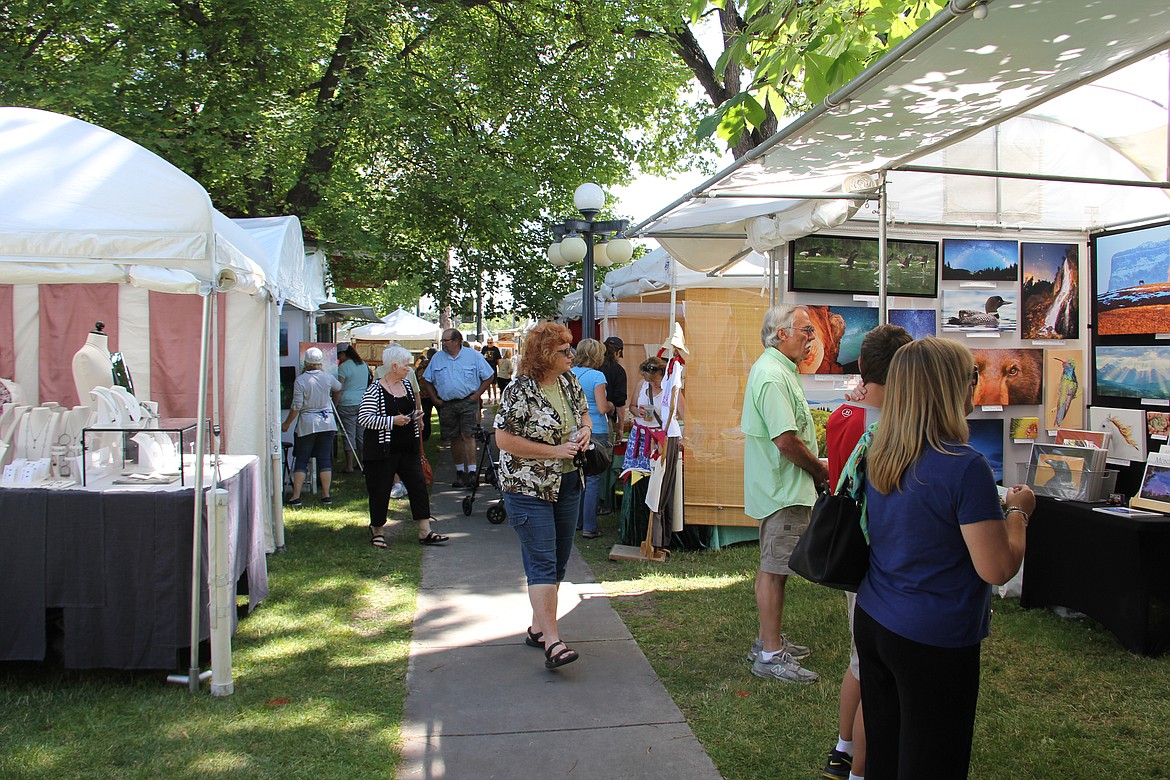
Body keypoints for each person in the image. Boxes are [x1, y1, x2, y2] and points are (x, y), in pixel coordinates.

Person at [855, 337, 1033, 779]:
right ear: (950, 388)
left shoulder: (882, 452)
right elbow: (997, 567)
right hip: (932, 637)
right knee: (933, 760)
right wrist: (1018, 513)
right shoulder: (965, 466)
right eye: (972, 377)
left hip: (877, 619)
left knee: (887, 753)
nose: (977, 386)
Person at [821, 324, 912, 780]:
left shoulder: (841, 417)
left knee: (859, 660)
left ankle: (843, 745)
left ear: (861, 366)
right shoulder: (894, 428)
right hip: (882, 560)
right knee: (871, 670)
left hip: (853, 551)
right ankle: (857, 764)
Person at [493, 322, 591, 670]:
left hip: (567, 484)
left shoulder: (569, 381)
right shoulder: (519, 390)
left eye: (571, 348)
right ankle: (553, 641)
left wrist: (584, 431)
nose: (571, 355)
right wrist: (553, 452)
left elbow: (583, 412)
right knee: (542, 562)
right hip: (527, 487)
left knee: (559, 560)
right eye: (564, 350)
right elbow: (503, 440)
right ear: (544, 354)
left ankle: (537, 629)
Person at [741, 304, 828, 684]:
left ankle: (768, 641)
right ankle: (770, 654)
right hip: (784, 488)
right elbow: (786, 441)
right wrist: (820, 470)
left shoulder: (777, 370)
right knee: (775, 571)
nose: (811, 336)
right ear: (781, 334)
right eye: (805, 330)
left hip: (781, 486)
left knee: (772, 567)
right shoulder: (774, 376)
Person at [358, 345, 449, 549]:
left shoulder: (406, 386)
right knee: (380, 490)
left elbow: (409, 409)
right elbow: (364, 418)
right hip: (383, 451)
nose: (408, 369)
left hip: (407, 448)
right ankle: (378, 531)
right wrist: (391, 421)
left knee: (418, 487)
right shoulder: (375, 390)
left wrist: (415, 417)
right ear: (393, 366)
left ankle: (425, 530)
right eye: (405, 365)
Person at [421, 329, 495, 488]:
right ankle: (460, 472)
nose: (443, 344)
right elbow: (426, 379)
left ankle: (473, 473)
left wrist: (477, 395)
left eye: (446, 340)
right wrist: (435, 399)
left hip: (468, 402)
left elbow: (489, 375)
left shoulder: (473, 356)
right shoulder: (438, 358)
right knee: (453, 437)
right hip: (447, 404)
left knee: (468, 435)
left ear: (456, 341)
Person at [282, 347, 342, 507]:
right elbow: (339, 388)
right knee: (324, 458)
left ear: (306, 362)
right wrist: (333, 404)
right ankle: (326, 495)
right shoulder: (327, 377)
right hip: (327, 421)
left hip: (308, 423)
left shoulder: (301, 380)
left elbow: (296, 405)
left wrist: (287, 423)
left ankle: (296, 496)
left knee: (301, 459)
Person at [619, 356, 666, 545]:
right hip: (639, 436)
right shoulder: (641, 384)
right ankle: (632, 523)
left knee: (653, 480)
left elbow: (680, 414)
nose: (650, 383)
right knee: (635, 478)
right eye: (647, 379)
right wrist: (635, 411)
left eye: (653, 380)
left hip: (657, 439)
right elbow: (631, 405)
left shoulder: (670, 388)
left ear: (661, 374)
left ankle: (651, 527)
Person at [570, 338, 614, 539]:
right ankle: (589, 525)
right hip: (596, 428)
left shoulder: (569, 374)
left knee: (578, 476)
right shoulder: (597, 375)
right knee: (594, 477)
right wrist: (612, 406)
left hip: (575, 429)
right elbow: (602, 406)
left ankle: (577, 522)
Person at [335, 344, 369, 473]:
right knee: (361, 433)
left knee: (348, 434)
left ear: (343, 354)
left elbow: (339, 388)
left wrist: (335, 404)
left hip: (347, 403)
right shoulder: (363, 365)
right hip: (363, 401)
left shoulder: (343, 367)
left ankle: (349, 465)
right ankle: (363, 461)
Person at [600, 336, 627, 444]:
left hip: (585, 418)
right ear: (618, 352)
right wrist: (620, 428)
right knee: (604, 458)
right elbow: (620, 402)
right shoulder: (618, 371)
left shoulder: (594, 367)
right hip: (606, 420)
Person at [416, 348, 436, 441]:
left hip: (424, 394)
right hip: (436, 394)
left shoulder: (421, 365)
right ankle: (445, 435)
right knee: (442, 414)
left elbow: (417, 377)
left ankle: (425, 435)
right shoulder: (435, 364)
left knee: (426, 415)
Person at [481, 337, 502, 403]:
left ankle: (495, 397)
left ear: (493, 342)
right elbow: (481, 358)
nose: (489, 344)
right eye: (488, 342)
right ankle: (489, 397)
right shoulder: (484, 348)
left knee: (494, 383)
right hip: (486, 367)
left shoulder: (495, 349)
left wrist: (499, 367)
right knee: (487, 383)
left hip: (493, 367)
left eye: (490, 342)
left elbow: (498, 359)